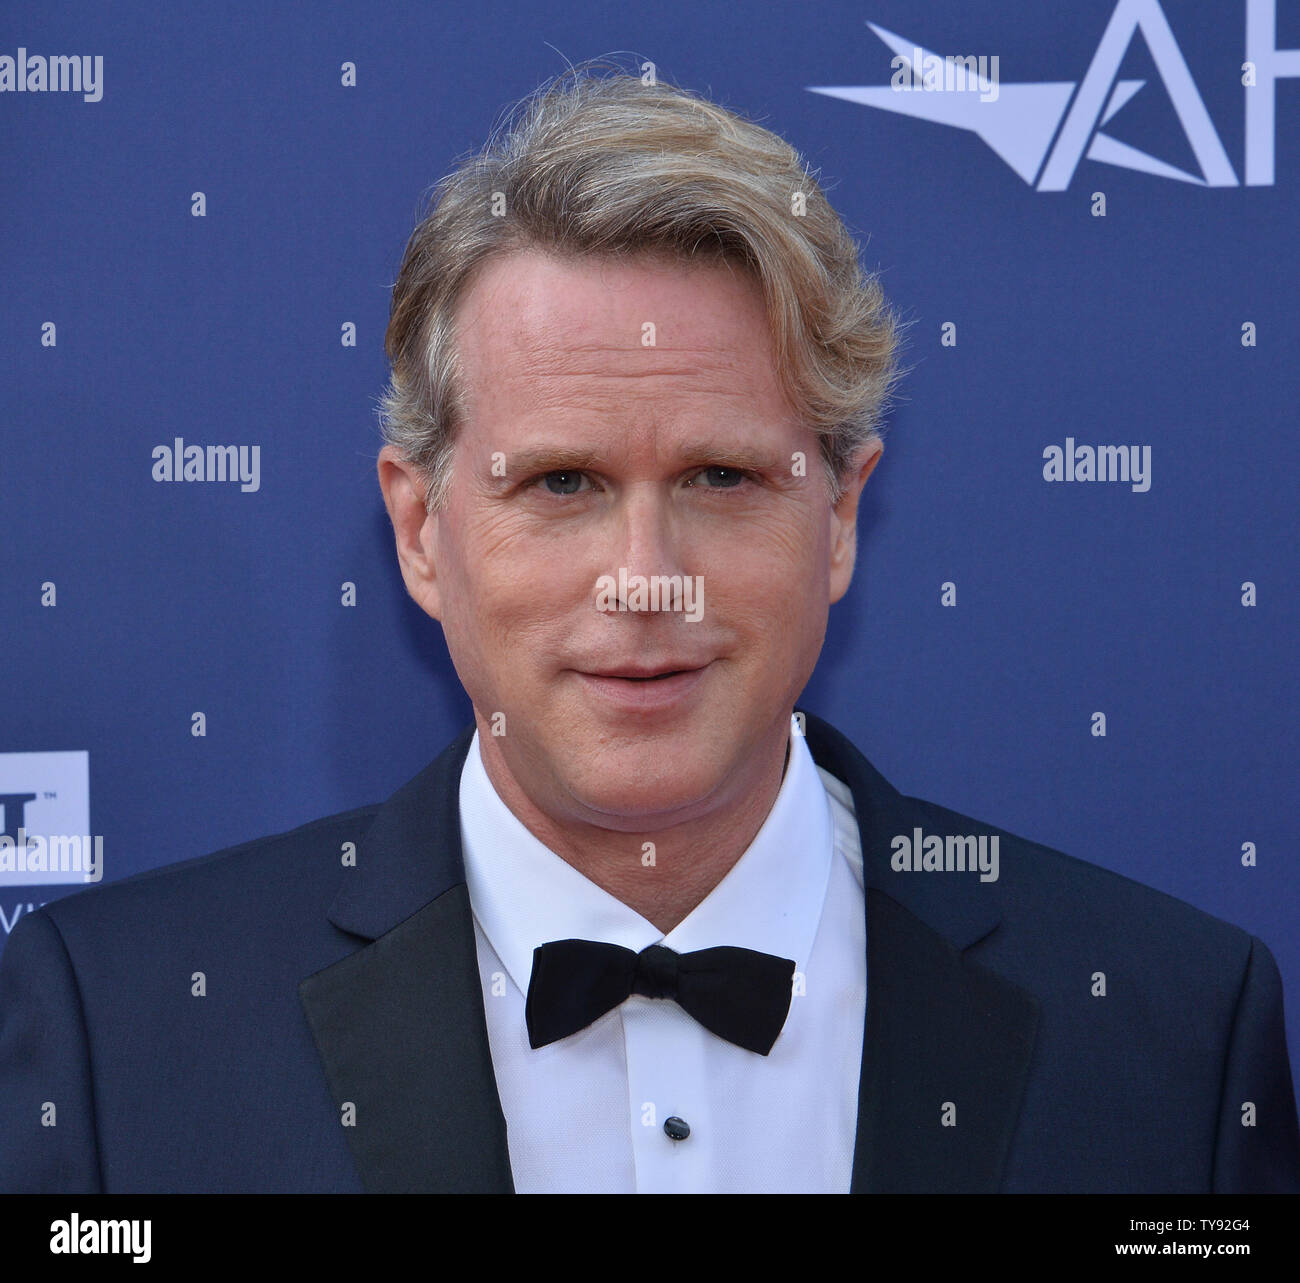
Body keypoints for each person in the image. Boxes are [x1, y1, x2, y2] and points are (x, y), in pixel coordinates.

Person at [1, 66, 1296, 1195]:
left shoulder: (1166, 1028)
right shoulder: (122, 1035)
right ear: (419, 530)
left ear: (841, 516)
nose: (644, 582)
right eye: (561, 483)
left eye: (720, 481)